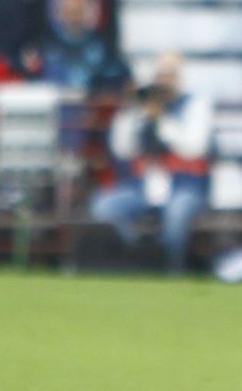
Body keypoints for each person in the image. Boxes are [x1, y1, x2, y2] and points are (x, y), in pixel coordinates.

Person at [89, 55, 214, 274]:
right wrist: (129, 111)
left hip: (185, 186)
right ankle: (138, 256)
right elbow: (122, 149)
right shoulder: (142, 107)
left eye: (170, 76)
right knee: (104, 206)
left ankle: (171, 271)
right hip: (143, 188)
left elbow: (195, 147)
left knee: (177, 213)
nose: (164, 82)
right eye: (160, 76)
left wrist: (161, 119)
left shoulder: (196, 104)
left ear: (181, 78)